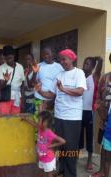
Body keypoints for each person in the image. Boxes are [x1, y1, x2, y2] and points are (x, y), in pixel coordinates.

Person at [36, 49, 87, 177]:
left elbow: (80, 91)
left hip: (72, 117)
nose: (62, 62)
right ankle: (62, 170)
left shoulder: (79, 73)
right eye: (61, 59)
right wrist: (40, 91)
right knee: (61, 146)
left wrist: (63, 89)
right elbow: (51, 94)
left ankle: (70, 174)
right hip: (59, 116)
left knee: (70, 147)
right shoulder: (59, 75)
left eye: (64, 59)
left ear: (72, 59)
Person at [22, 111, 66, 177]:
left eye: (39, 120)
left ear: (45, 122)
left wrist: (51, 146)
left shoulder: (49, 132)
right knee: (41, 172)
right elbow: (33, 123)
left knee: (49, 174)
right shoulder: (40, 128)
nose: (38, 121)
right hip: (41, 158)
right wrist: (26, 119)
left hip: (48, 158)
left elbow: (63, 141)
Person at [79, 56, 103, 172]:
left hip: (89, 112)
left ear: (93, 67)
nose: (85, 66)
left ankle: (89, 160)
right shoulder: (79, 76)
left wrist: (100, 60)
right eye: (84, 63)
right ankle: (74, 157)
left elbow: (99, 68)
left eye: (88, 64)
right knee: (78, 135)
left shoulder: (93, 77)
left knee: (89, 137)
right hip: (78, 112)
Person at [90, 54, 111, 177]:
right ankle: (102, 171)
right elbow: (98, 96)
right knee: (104, 145)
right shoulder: (105, 78)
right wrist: (99, 109)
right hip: (104, 120)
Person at [34, 47, 64, 121]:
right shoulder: (39, 65)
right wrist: (34, 73)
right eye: (43, 54)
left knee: (50, 123)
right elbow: (33, 82)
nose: (45, 56)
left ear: (53, 54)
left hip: (52, 100)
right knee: (39, 122)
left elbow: (60, 84)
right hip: (39, 98)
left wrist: (53, 100)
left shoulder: (59, 67)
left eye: (47, 54)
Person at [0, 45, 25, 114]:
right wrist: (6, 80)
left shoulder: (20, 67)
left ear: (14, 56)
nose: (8, 60)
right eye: (6, 59)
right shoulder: (2, 68)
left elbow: (22, 84)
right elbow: (0, 86)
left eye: (10, 58)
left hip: (17, 98)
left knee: (15, 120)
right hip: (5, 97)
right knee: (4, 120)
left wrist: (22, 99)